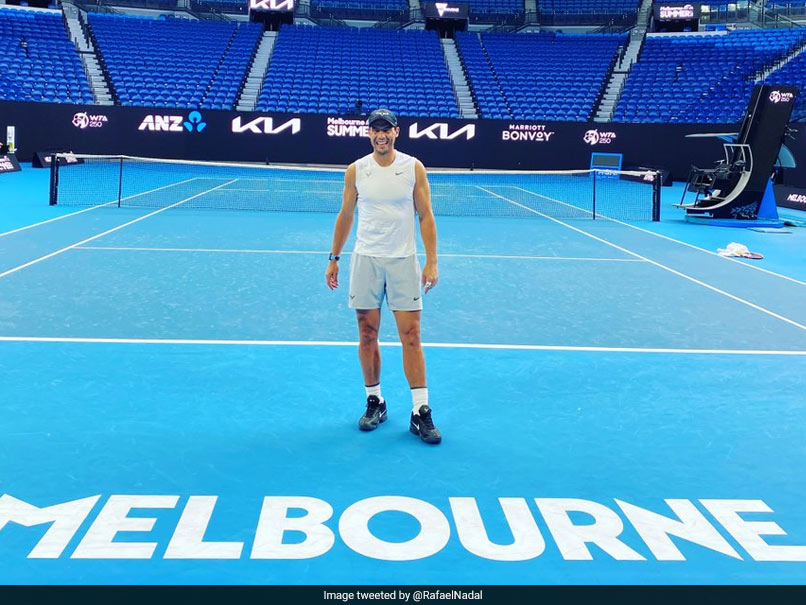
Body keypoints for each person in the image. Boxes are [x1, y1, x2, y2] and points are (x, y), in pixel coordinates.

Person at [325, 108, 441, 445]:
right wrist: (334, 258)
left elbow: (426, 215)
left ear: (396, 132)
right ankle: (375, 401)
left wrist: (431, 262)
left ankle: (420, 410)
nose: (381, 135)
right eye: (375, 130)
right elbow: (345, 214)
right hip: (366, 259)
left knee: (411, 335)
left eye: (386, 129)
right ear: (369, 133)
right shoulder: (356, 170)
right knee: (367, 334)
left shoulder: (413, 167)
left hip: (403, 260)